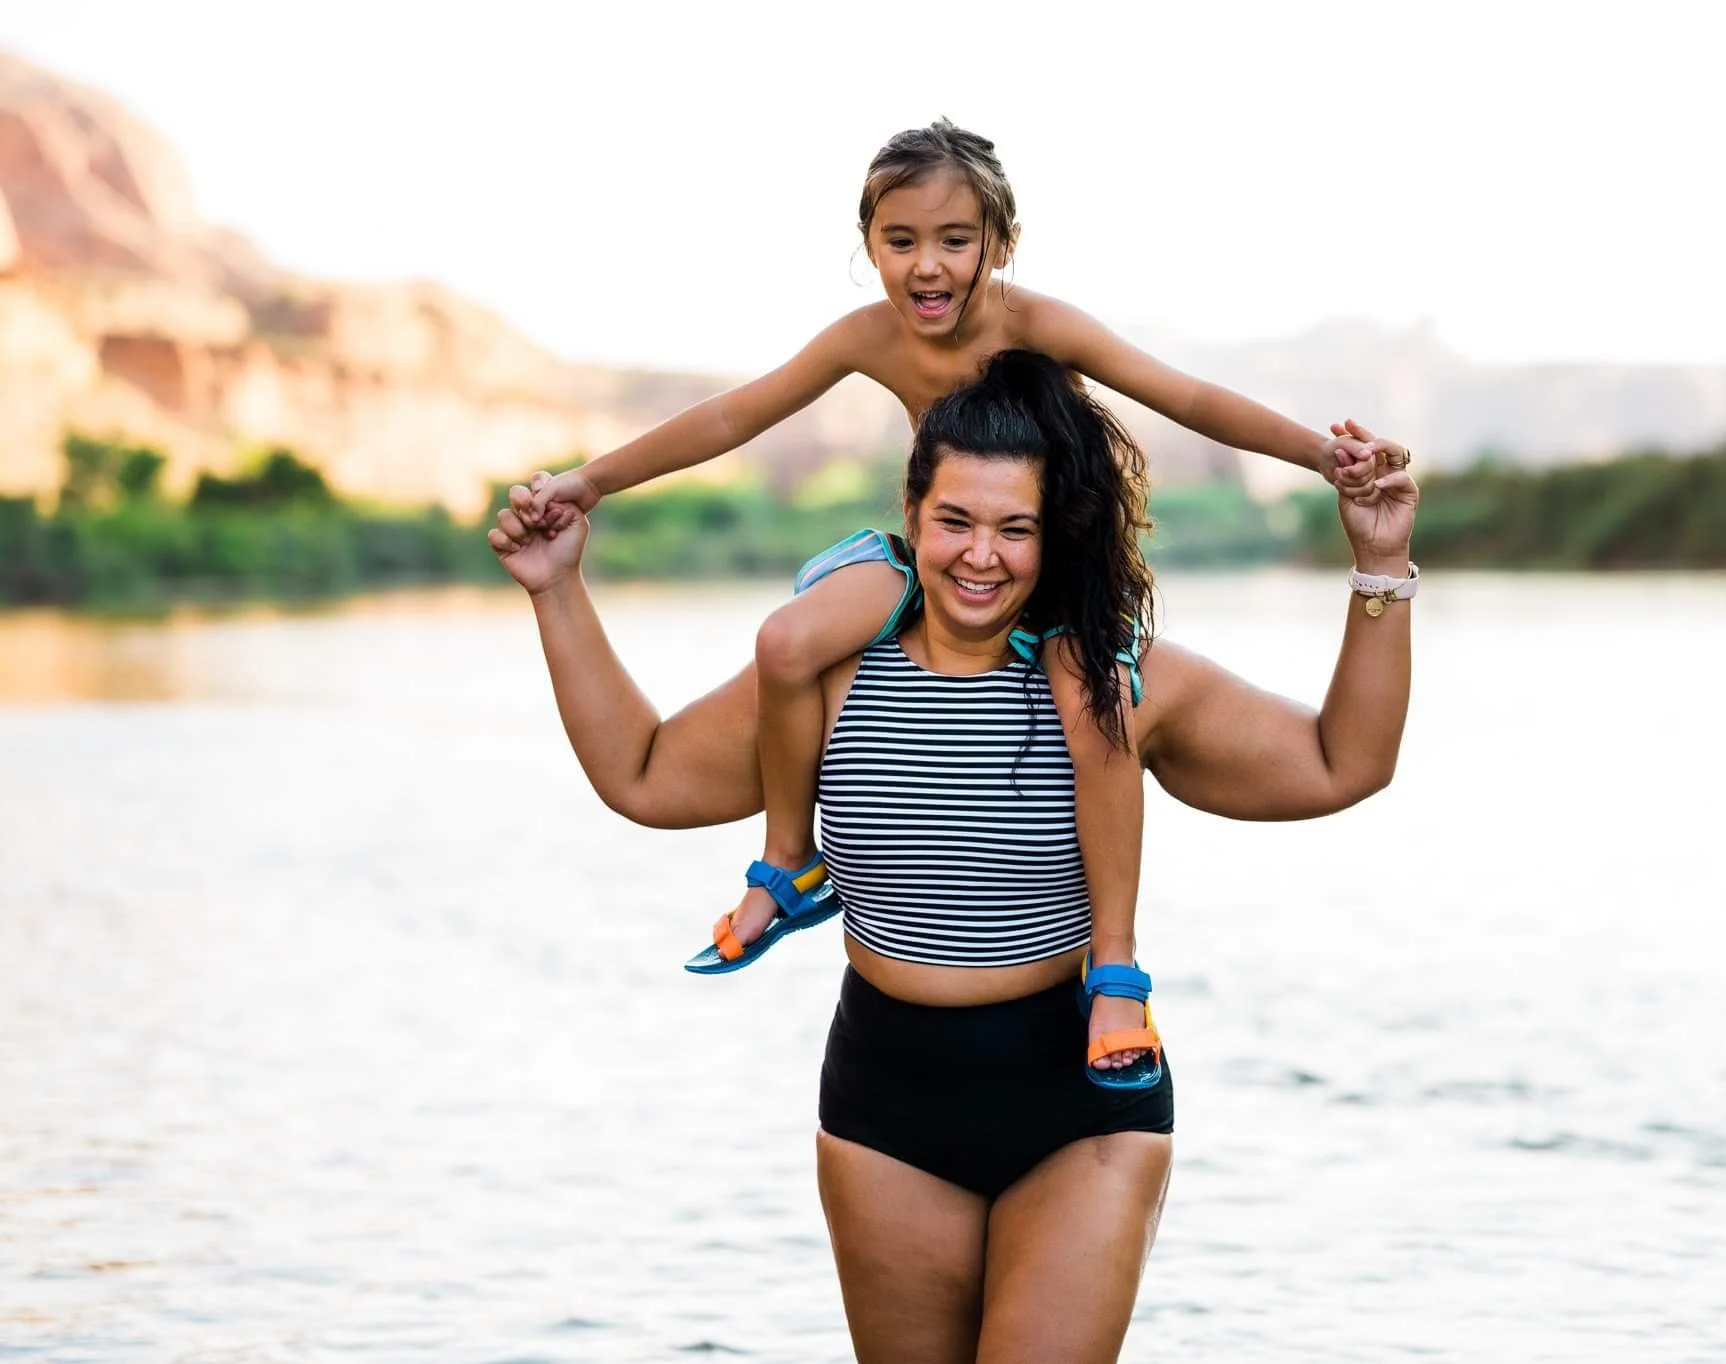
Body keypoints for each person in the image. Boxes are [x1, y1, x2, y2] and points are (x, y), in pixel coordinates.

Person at [489, 350, 1419, 1362]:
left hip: (1080, 1100)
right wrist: (556, 588)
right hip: (885, 1104)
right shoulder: (825, 678)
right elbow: (643, 773)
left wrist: (1377, 565)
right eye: (956, 521)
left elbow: (1341, 762)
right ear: (910, 512)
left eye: (1014, 527)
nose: (982, 556)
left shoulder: (1116, 681)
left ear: (1051, 531)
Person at [515, 119, 1384, 1083]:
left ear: (1000, 244)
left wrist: (1319, 456)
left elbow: (1183, 396)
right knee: (788, 637)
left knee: (1092, 699)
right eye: (900, 242)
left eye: (955, 241)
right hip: (922, 554)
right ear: (869, 244)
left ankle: (1117, 969)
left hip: (1041, 574)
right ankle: (791, 864)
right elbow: (731, 415)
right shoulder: (866, 336)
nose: (927, 267)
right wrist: (591, 483)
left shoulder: (1038, 323)